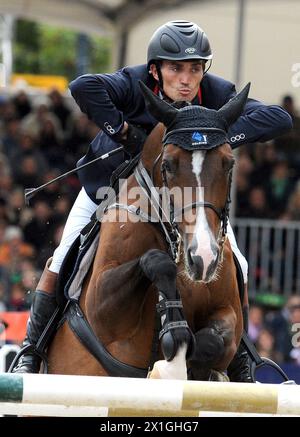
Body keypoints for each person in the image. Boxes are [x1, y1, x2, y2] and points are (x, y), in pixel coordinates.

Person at [12, 20, 292, 378]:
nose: (187, 80)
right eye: (176, 69)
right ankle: (31, 351)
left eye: (195, 69)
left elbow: (278, 119)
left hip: (186, 194)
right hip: (109, 190)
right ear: (156, 69)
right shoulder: (133, 82)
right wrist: (123, 130)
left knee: (239, 261)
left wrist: (214, 137)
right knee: (63, 257)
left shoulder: (216, 92)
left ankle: (241, 359)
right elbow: (83, 86)